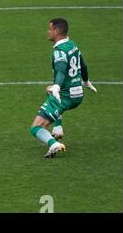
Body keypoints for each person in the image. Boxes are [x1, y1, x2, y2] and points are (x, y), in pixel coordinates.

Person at [30, 18, 97, 158]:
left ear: (56, 31)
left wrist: (57, 86)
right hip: (78, 94)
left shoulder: (59, 51)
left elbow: (60, 70)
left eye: (50, 29)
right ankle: (58, 128)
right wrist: (85, 81)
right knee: (49, 90)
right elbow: (83, 65)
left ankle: (54, 144)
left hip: (66, 96)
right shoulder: (73, 45)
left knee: (36, 127)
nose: (48, 32)